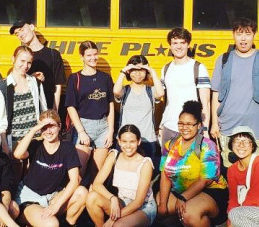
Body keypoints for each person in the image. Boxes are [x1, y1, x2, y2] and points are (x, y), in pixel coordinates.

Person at [211, 15, 259, 168]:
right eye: (239, 34)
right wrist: (214, 123)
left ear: (254, 35)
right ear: (233, 35)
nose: (243, 39)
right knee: (232, 174)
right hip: (228, 127)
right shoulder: (224, 59)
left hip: (258, 128)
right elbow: (216, 93)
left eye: (248, 34)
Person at [157, 101, 228, 227]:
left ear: (199, 125)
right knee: (160, 211)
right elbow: (165, 174)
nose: (185, 127)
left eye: (190, 124)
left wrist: (183, 198)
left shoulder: (207, 145)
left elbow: (205, 179)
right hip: (184, 192)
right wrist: (163, 204)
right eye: (181, 123)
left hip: (211, 192)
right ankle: (190, 226)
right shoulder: (170, 145)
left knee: (189, 213)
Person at [13, 110, 87, 227]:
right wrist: (33, 131)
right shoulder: (35, 145)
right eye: (44, 127)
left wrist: (56, 206)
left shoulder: (67, 148)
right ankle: (27, 226)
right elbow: (18, 154)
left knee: (82, 192)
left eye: (52, 126)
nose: (48, 131)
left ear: (59, 126)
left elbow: (75, 180)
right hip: (30, 197)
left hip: (52, 197)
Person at [87, 125, 157, 227]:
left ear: (138, 141)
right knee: (92, 197)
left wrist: (113, 219)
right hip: (122, 202)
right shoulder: (114, 155)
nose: (128, 145)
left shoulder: (145, 163)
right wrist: (112, 198)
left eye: (132, 141)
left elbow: (138, 202)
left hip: (143, 207)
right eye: (124, 141)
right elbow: (97, 184)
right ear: (118, 141)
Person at [65, 41, 114, 177]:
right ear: (82, 57)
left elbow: (110, 105)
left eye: (95, 54)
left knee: (97, 173)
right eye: (89, 55)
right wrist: (81, 132)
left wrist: (110, 131)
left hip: (103, 126)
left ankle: (93, 196)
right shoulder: (75, 78)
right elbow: (71, 106)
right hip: (84, 126)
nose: (93, 58)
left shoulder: (105, 78)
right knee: (78, 172)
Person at [160, 28, 211, 149]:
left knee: (189, 166)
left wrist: (205, 129)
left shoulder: (198, 68)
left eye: (182, 43)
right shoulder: (166, 68)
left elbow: (205, 103)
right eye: (175, 43)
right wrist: (161, 126)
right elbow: (165, 101)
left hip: (191, 128)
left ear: (188, 44)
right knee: (167, 167)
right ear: (170, 46)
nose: (178, 47)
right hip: (169, 127)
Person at [0, 46, 47, 156]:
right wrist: (5, 145)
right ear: (13, 59)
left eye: (29, 62)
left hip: (36, 139)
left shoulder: (35, 83)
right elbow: (1, 122)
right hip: (15, 141)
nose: (25, 66)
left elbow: (44, 111)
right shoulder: (1, 87)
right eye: (22, 61)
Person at [113, 55, 164, 160]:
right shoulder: (125, 90)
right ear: (129, 71)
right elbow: (116, 91)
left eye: (141, 70)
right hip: (126, 140)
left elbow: (160, 93)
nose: (138, 73)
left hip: (147, 139)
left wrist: (152, 72)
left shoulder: (150, 91)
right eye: (134, 70)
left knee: (147, 173)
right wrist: (123, 71)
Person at [10, 20, 66, 111]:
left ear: (32, 27)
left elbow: (57, 85)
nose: (20, 35)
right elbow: (16, 82)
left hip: (47, 108)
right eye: (17, 33)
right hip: (27, 109)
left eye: (22, 29)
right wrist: (31, 78)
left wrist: (54, 111)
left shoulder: (53, 54)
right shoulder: (21, 56)